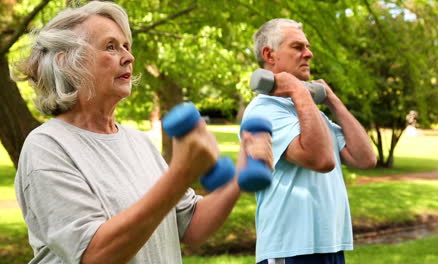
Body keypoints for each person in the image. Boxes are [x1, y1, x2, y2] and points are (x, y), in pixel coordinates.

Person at [13, 2, 272, 263]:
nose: (129, 57)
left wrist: (240, 174)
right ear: (67, 62)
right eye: (111, 46)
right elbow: (95, 254)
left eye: (127, 46)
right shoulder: (47, 147)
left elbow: (192, 226)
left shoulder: (138, 142)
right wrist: (181, 175)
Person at [242, 18, 377, 264]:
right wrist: (298, 89)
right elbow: (321, 159)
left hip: (330, 245)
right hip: (291, 250)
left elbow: (365, 158)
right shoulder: (263, 110)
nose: (309, 54)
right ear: (269, 54)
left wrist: (333, 100)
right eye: (298, 47)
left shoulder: (311, 114)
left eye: (308, 46)